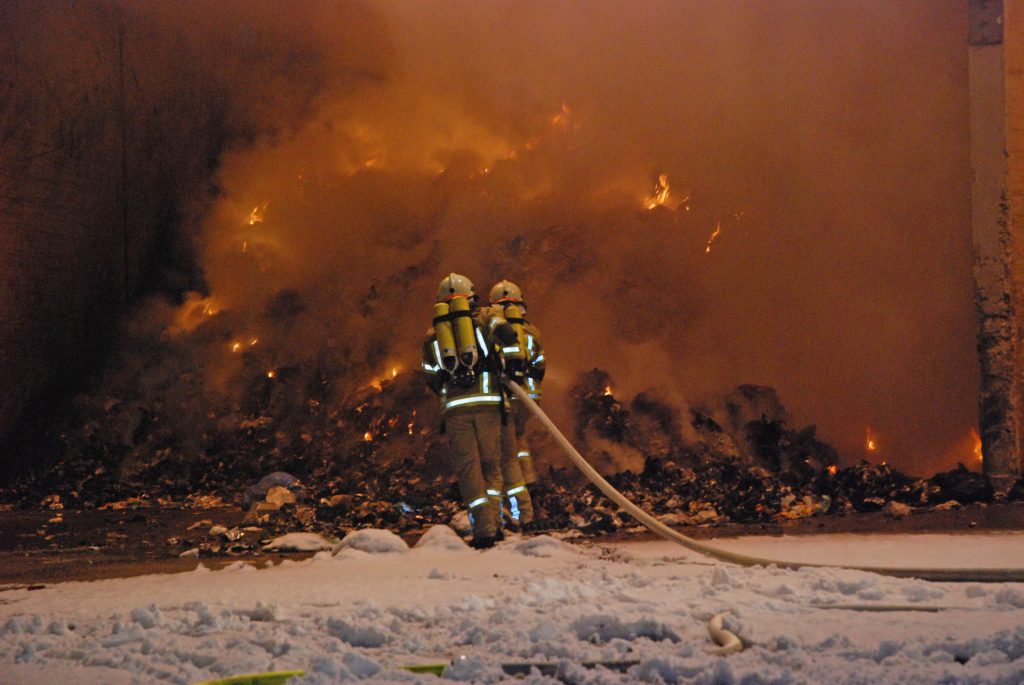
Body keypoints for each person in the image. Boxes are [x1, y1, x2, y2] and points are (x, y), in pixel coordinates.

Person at [422, 273, 520, 549]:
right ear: (472, 297)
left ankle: (483, 530)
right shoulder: (487, 317)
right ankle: (496, 524)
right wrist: (509, 364)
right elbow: (509, 335)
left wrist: (450, 391)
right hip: (488, 406)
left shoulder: (433, 334)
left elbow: (431, 375)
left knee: (469, 471)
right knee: (492, 466)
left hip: (456, 411)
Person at [488, 279, 545, 525]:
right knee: (520, 442)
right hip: (528, 399)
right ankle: (530, 484)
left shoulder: (492, 329)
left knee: (505, 452)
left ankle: (514, 504)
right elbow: (540, 366)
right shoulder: (532, 331)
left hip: (504, 398)